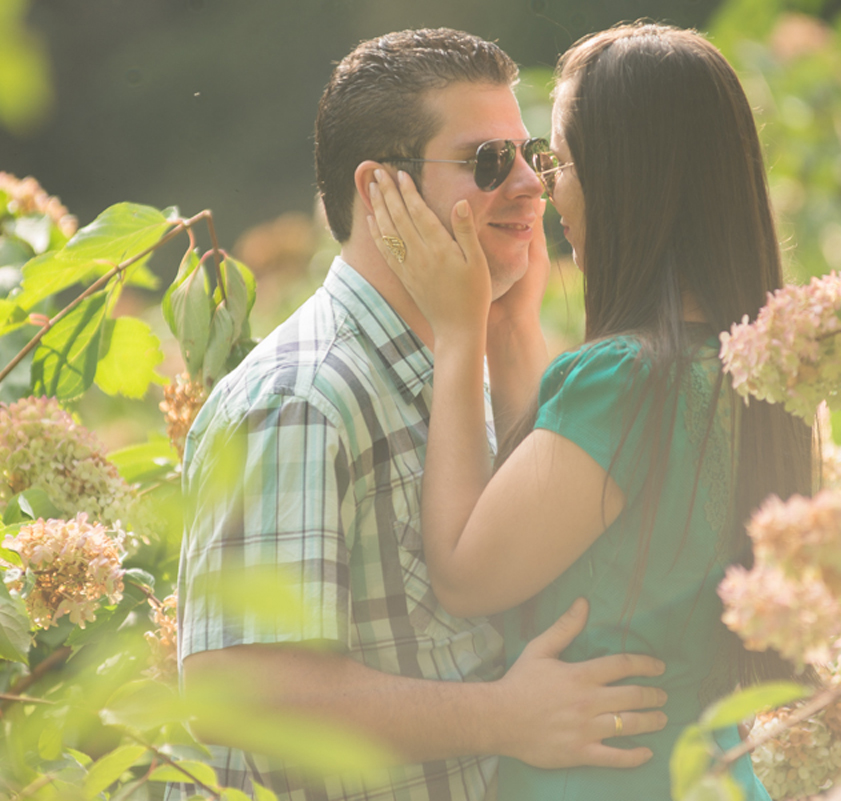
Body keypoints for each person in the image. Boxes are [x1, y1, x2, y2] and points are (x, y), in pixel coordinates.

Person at [171, 27, 670, 801]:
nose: (531, 186)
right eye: (488, 161)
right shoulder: (302, 396)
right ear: (381, 192)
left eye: (530, 154)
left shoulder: (456, 363)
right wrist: (502, 716)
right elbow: (233, 688)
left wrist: (511, 330)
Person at [365, 22, 815, 801]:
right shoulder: (744, 372)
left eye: (559, 161)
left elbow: (468, 573)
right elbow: (560, 507)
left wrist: (458, 329)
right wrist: (512, 332)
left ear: (628, 175)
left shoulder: (624, 381)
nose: (542, 189)